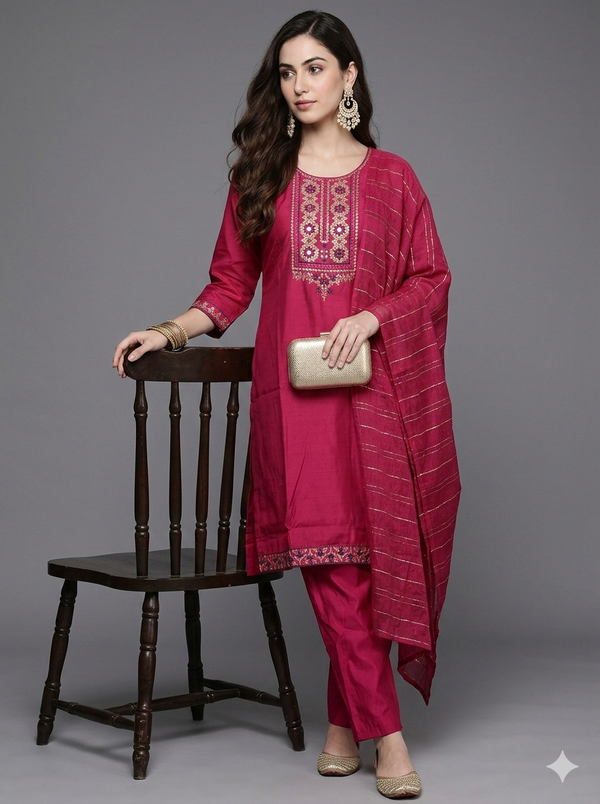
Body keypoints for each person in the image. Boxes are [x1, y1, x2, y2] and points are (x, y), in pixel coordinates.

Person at [113, 10, 460, 799]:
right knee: (328, 563)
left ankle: (342, 727)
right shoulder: (260, 177)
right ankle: (389, 739)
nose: (298, 85)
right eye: (285, 72)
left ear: (349, 77)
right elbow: (230, 288)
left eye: (313, 68)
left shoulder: (394, 178)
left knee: (366, 567)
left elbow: (431, 280)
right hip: (292, 404)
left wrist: (375, 316)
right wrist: (166, 329)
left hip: (375, 403)